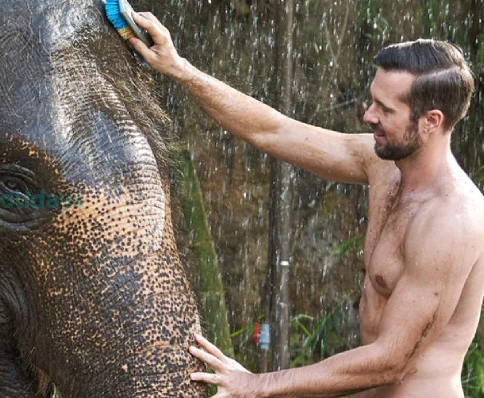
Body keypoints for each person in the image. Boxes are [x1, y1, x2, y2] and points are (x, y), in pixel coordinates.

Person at [126, 11, 483, 398]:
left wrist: (258, 384)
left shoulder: (453, 220)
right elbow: (273, 130)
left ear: (431, 120)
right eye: (372, 101)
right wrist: (180, 70)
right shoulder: (384, 166)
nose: (368, 115)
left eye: (385, 109)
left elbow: (392, 360)